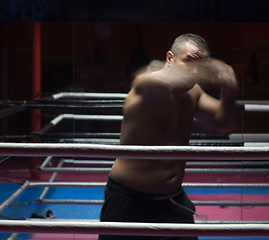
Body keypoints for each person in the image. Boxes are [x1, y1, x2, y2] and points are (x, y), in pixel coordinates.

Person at [99, 33, 238, 240]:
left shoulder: (194, 93)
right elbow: (143, 81)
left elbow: (223, 123)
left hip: (172, 201)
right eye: (188, 61)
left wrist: (229, 88)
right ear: (170, 58)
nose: (194, 71)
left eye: (200, 66)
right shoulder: (148, 83)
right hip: (128, 201)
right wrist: (208, 71)